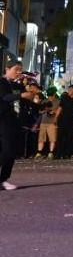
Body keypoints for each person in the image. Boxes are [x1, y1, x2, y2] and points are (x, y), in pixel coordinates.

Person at [0, 61, 25, 190]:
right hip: (3, 121)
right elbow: (5, 97)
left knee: (11, 151)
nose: (18, 72)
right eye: (16, 69)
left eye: (20, 70)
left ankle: (3, 179)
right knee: (7, 151)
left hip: (14, 121)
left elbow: (25, 102)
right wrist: (21, 95)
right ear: (7, 69)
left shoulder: (17, 85)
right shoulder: (2, 82)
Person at [54, 85, 73, 159]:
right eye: (69, 89)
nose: (69, 91)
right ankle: (58, 154)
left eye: (71, 89)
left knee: (69, 138)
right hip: (62, 120)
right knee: (60, 137)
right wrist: (55, 117)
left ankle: (67, 154)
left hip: (72, 121)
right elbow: (60, 108)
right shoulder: (64, 98)